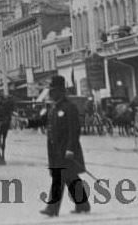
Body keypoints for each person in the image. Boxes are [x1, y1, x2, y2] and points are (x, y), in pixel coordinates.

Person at [30, 75, 90, 217]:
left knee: (60, 177)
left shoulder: (69, 108)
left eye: (54, 91)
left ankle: (52, 208)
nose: (51, 93)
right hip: (55, 150)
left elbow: (74, 131)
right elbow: (41, 121)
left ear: (61, 91)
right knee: (70, 177)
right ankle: (83, 204)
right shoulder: (53, 108)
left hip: (66, 150)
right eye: (51, 90)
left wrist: (70, 149)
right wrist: (27, 123)